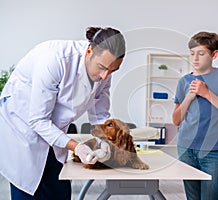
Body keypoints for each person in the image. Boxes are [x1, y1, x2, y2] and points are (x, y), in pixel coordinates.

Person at [0, 26, 126, 199]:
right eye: (102, 68)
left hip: (55, 131)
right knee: (30, 188)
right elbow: (38, 121)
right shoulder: (55, 60)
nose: (106, 76)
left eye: (112, 70)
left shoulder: (105, 70)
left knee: (58, 187)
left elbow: (100, 114)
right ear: (89, 50)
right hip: (22, 128)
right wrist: (78, 147)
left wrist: (105, 139)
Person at [172, 31, 218, 200]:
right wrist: (188, 97)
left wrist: (207, 94)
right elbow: (176, 119)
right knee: (192, 198)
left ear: (214, 54)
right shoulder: (184, 81)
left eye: (201, 54)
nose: (195, 58)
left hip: (213, 151)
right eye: (192, 53)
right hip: (186, 148)